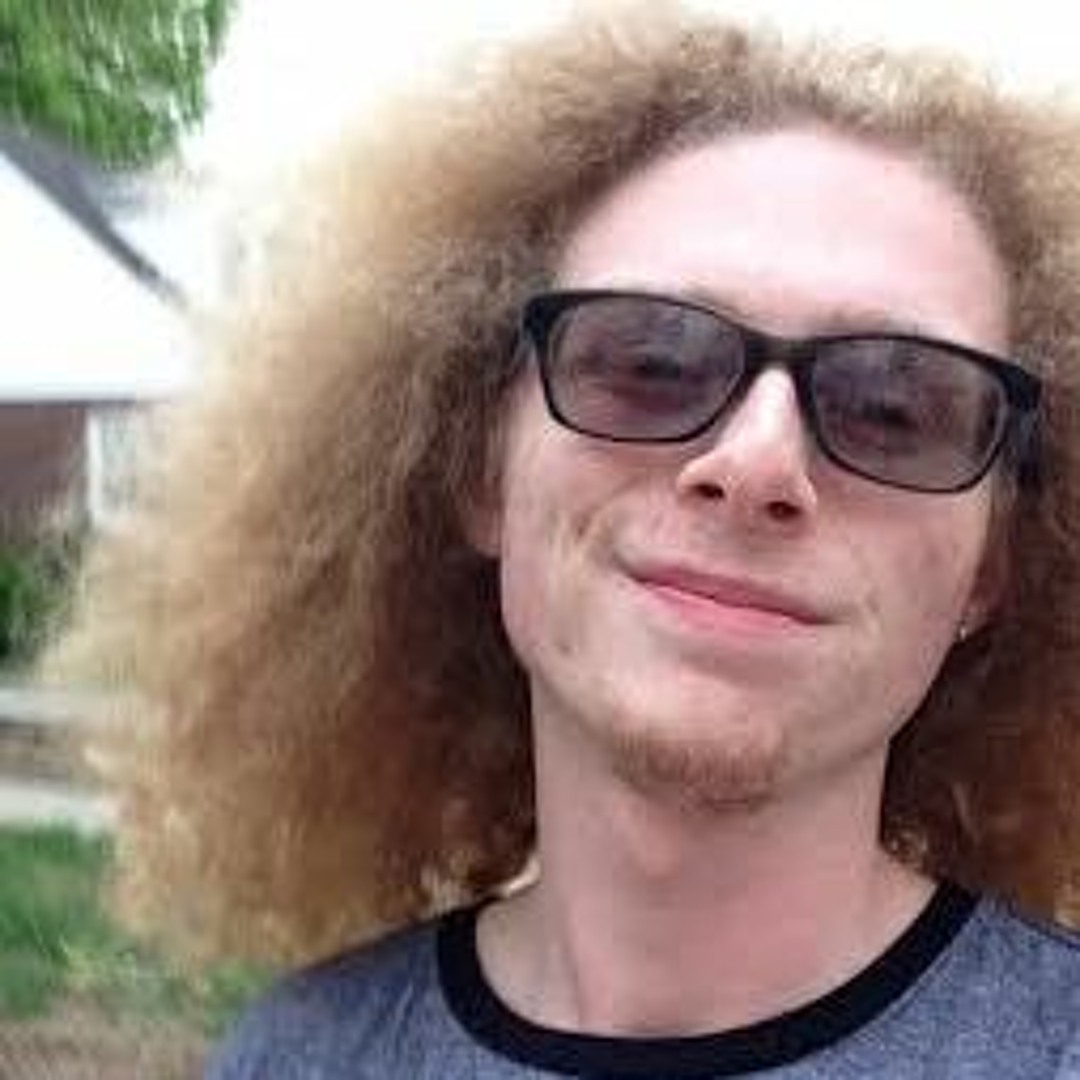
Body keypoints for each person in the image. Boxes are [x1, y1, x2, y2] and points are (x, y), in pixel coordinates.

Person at [51, 3, 1080, 1076]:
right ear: (481, 472)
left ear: (992, 564)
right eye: (649, 362)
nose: (757, 462)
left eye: (895, 407)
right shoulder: (299, 1057)